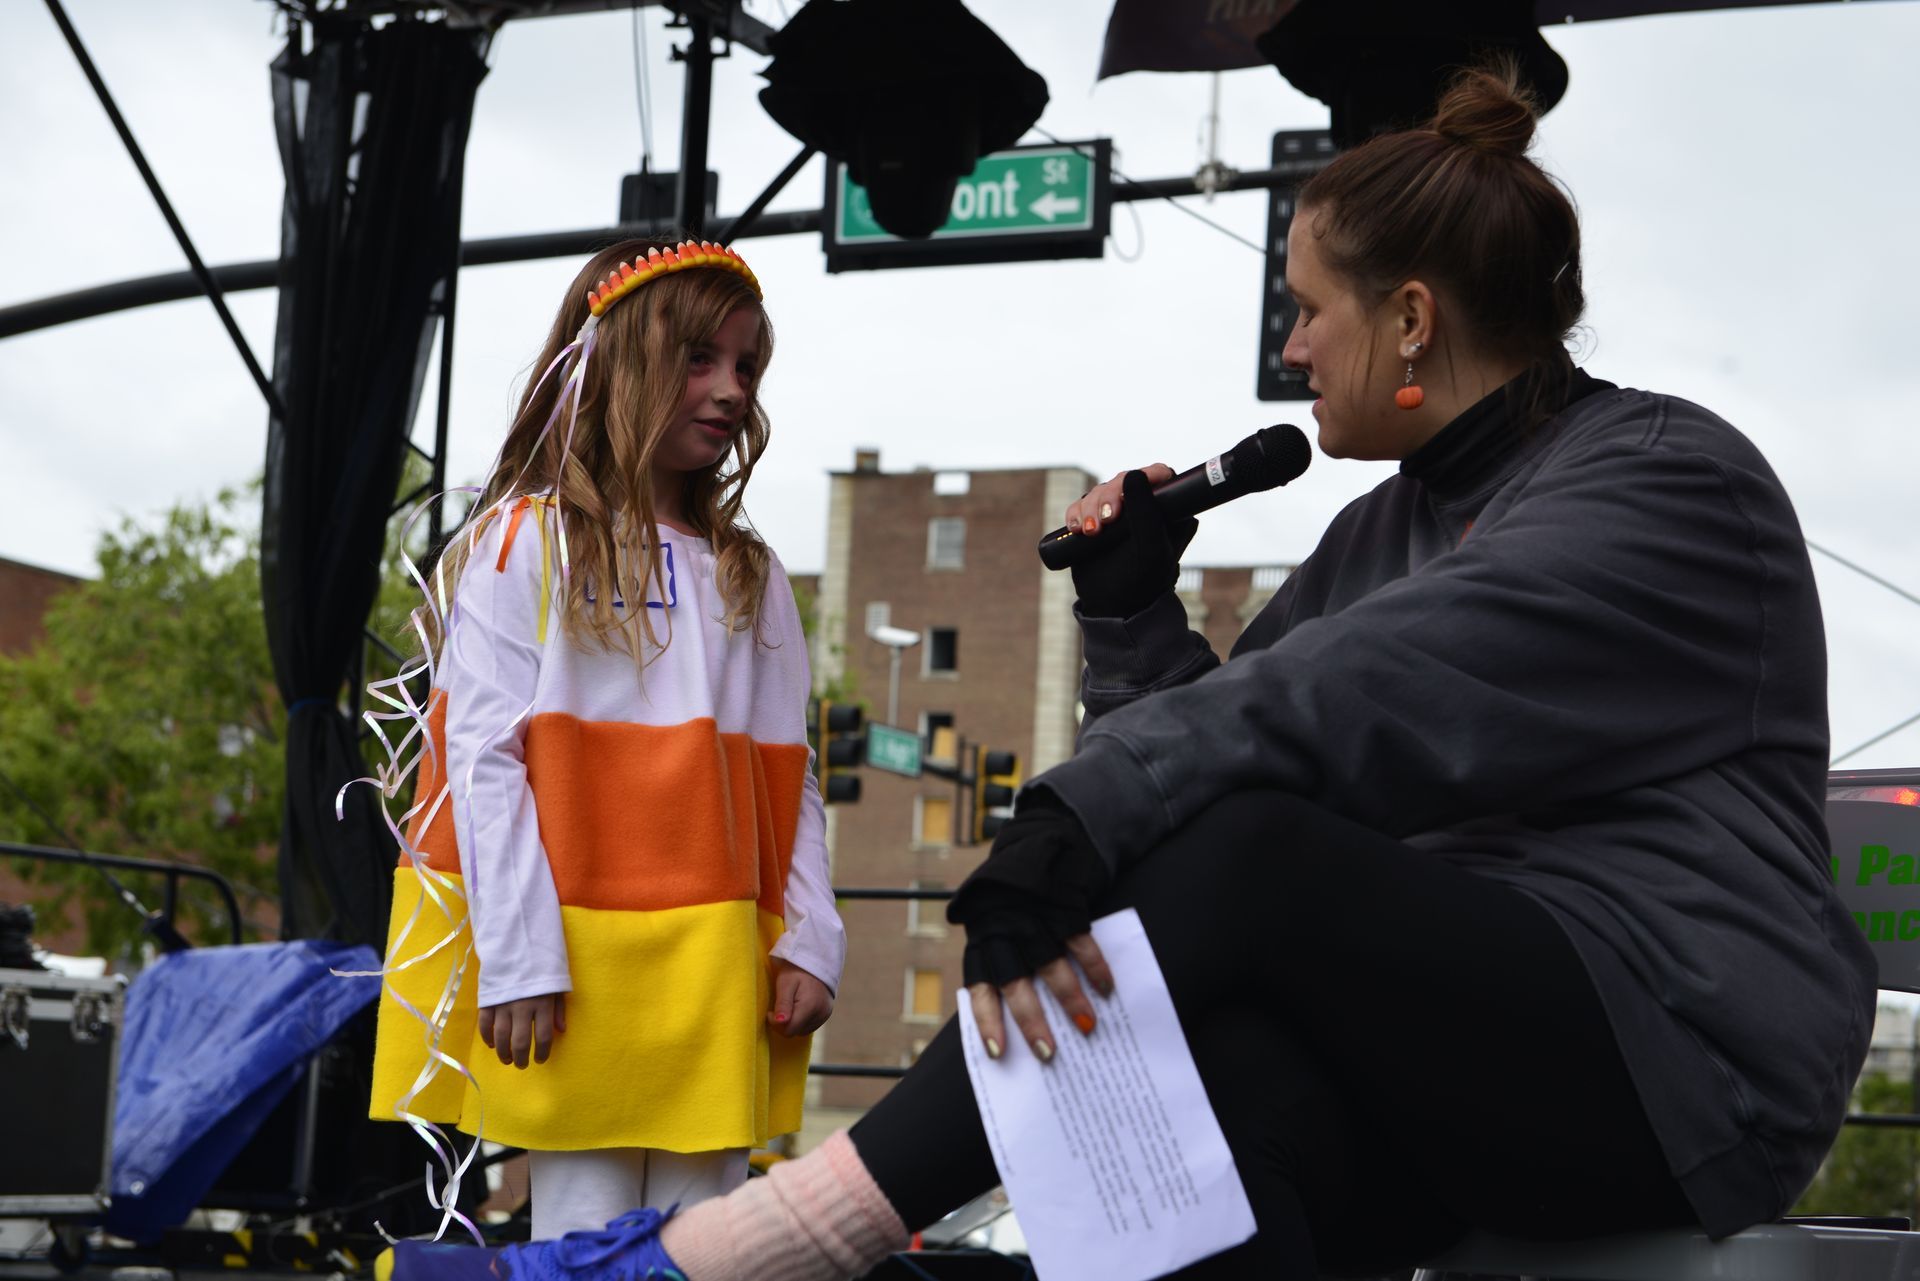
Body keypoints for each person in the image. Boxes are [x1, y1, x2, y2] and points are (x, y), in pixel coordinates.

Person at [382, 64, 1875, 1281]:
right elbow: (1213, 785)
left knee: (1256, 862)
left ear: (1411, 320)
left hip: (1677, 1056)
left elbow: (1357, 710)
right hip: (1466, 1065)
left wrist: (1074, 815)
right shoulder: (1384, 526)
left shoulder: (1670, 481)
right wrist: (1130, 617)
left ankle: (762, 1246)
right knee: (1184, 1117)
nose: (1294, 350)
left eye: (1309, 312)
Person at [365, 238, 846, 1239]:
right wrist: (522, 957)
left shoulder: (753, 575)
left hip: (717, 960)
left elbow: (790, 775)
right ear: (619, 361)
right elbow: (480, 759)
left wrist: (812, 935)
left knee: (705, 1243)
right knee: (583, 1242)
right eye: (698, 360)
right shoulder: (525, 541)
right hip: (576, 962)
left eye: (746, 366)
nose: (728, 391)